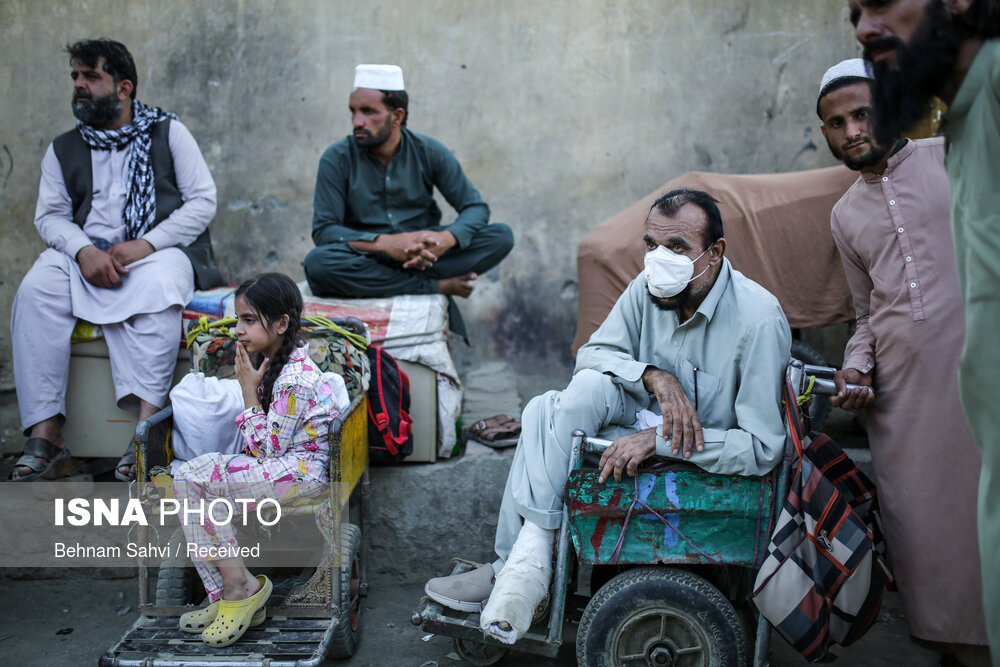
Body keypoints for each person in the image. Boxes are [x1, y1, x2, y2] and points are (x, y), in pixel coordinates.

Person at [424, 189, 790, 644]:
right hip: (633, 433)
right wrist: (654, 376)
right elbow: (592, 355)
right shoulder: (647, 287)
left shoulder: (758, 320)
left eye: (677, 246)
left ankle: (520, 566)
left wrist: (659, 440)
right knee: (566, 397)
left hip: (700, 462)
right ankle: (532, 557)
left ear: (714, 252)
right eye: (652, 244)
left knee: (541, 411)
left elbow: (761, 447)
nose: (659, 258)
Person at [819, 59, 990, 666]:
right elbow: (866, 315)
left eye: (862, 114)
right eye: (836, 123)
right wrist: (856, 367)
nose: (852, 131)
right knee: (926, 535)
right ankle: (957, 651)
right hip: (903, 404)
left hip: (981, 382)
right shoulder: (844, 215)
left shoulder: (954, 157)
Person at [9, 39, 221, 482]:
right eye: (75, 76)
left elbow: (202, 201)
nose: (79, 85)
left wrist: (147, 244)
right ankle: (47, 435)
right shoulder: (63, 149)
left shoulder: (169, 133)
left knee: (161, 288)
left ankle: (146, 433)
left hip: (156, 255)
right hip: (85, 258)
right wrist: (83, 251)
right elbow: (51, 216)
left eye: (91, 76)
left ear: (124, 88)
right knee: (36, 288)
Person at [173, 272, 349, 647]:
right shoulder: (276, 365)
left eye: (249, 319)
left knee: (192, 478)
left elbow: (266, 450)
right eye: (238, 319)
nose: (238, 329)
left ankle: (239, 588)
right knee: (191, 478)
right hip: (285, 468)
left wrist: (248, 391)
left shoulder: (294, 379)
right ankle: (227, 592)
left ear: (282, 323)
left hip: (301, 474)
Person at [302, 64, 514, 335]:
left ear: (397, 116)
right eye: (353, 111)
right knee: (318, 264)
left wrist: (446, 239)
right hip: (367, 259)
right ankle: (435, 286)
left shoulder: (429, 151)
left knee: (501, 236)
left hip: (426, 257)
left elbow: (475, 208)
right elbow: (324, 231)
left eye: (368, 111)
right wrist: (386, 244)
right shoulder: (336, 158)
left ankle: (400, 280)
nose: (357, 121)